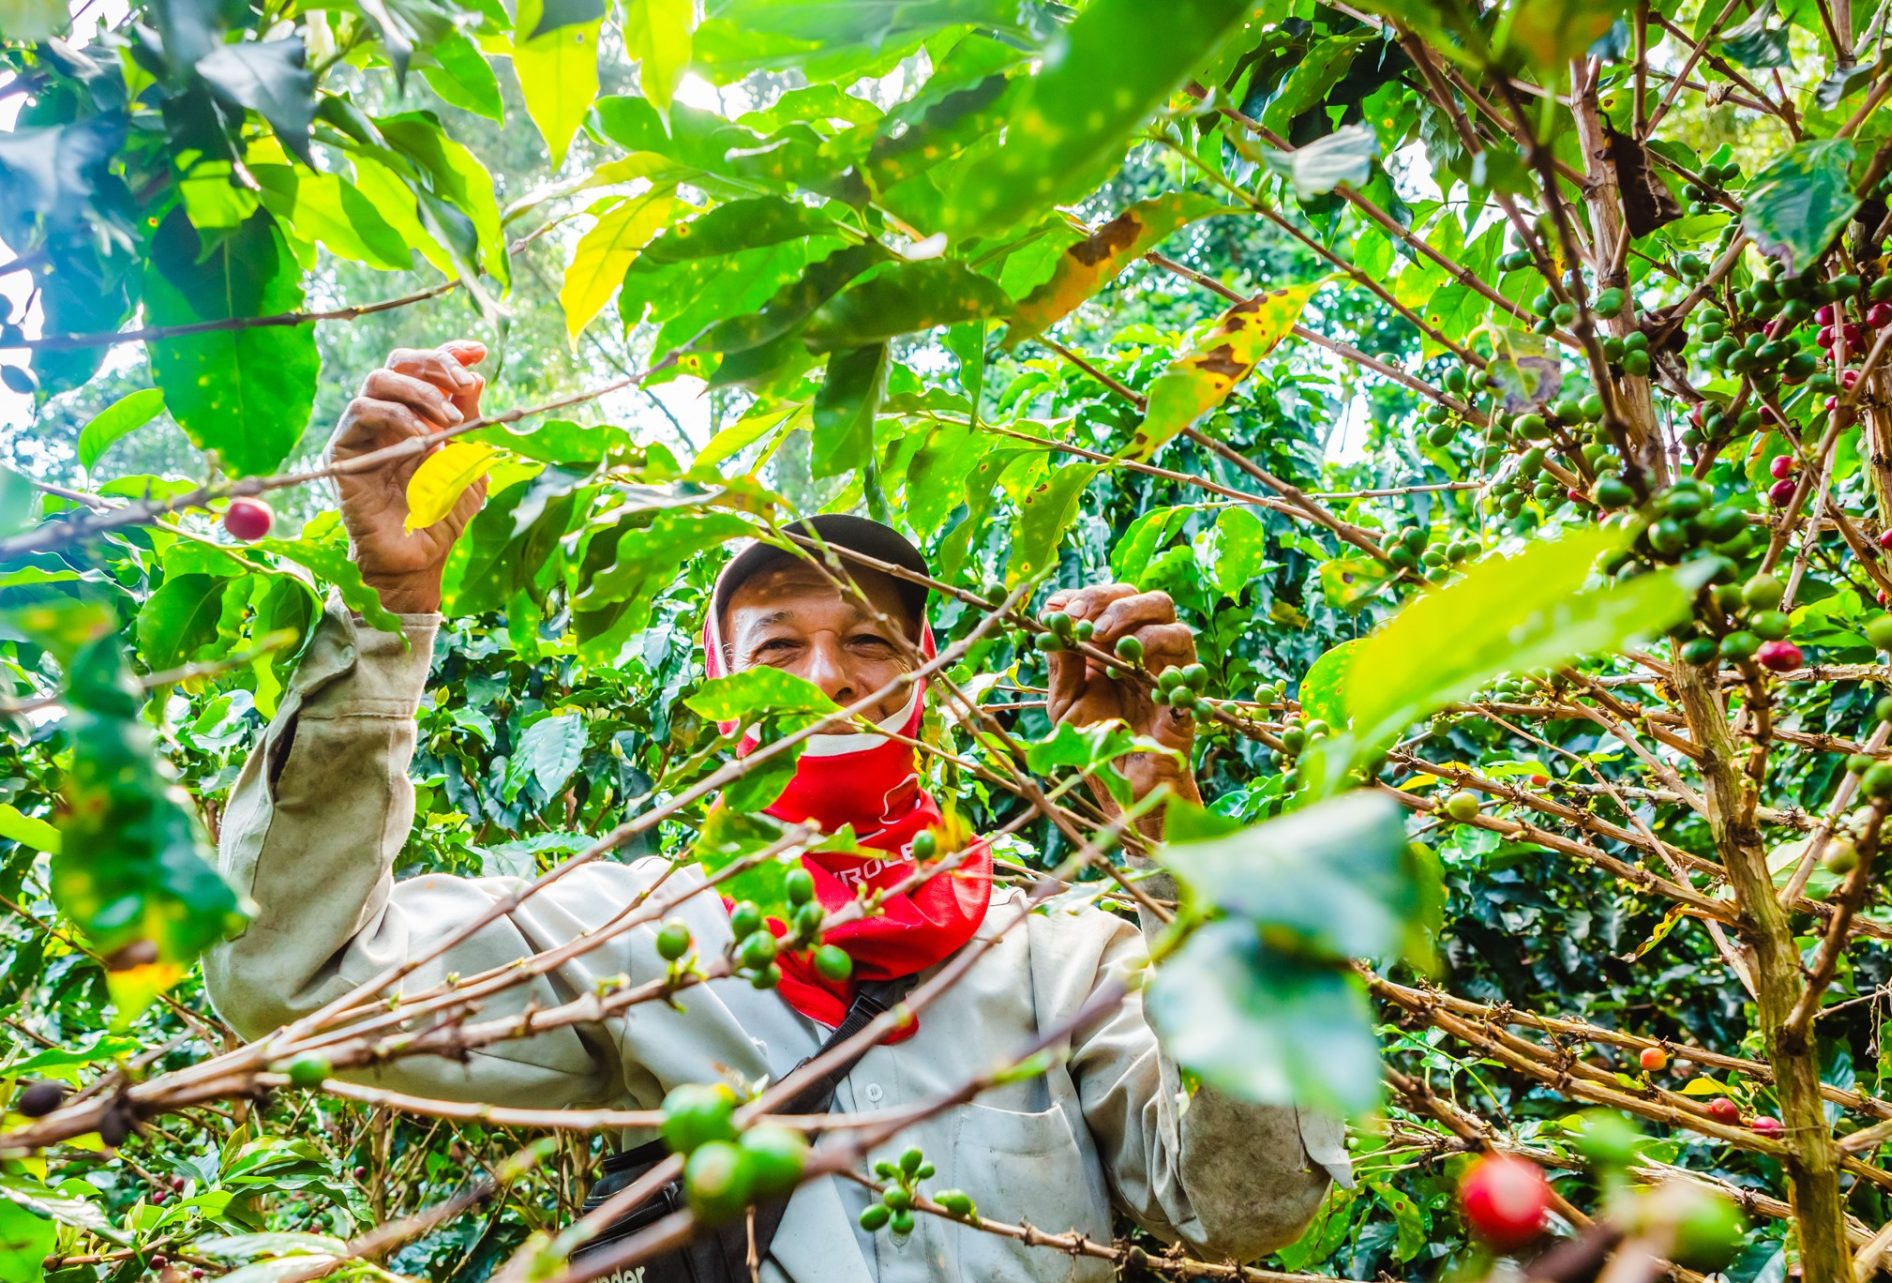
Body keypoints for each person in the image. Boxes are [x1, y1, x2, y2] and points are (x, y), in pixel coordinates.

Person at [205, 340, 1349, 1283]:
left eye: (867, 641)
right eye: (778, 647)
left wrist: (1178, 850)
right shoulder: (637, 931)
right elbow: (291, 983)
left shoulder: (1060, 955)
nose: (828, 678)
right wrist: (387, 610)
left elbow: (1247, 1202)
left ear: (928, 682)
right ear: (722, 696)